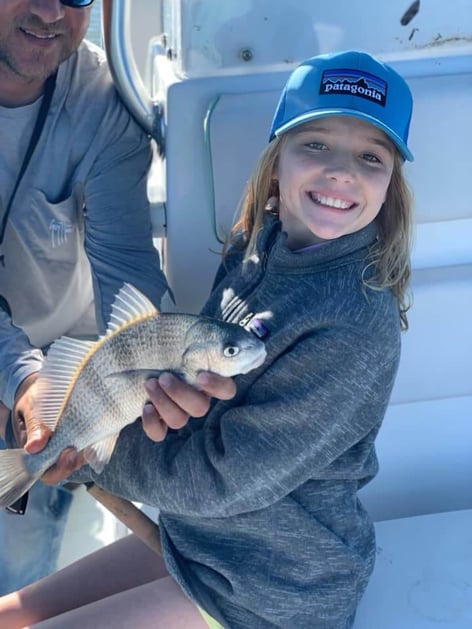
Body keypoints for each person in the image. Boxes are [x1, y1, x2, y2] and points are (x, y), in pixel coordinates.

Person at [0, 49, 414, 628]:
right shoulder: (256, 245)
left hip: (270, 588)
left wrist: (94, 460)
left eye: (371, 156)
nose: (341, 170)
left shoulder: (352, 322)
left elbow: (226, 479)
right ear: (276, 162)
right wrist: (96, 420)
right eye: (315, 143)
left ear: (391, 184)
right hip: (197, 543)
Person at [0, 0, 234, 596]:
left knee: (22, 567)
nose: (52, 11)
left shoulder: (103, 97)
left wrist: (159, 382)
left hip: (61, 386)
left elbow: (126, 265)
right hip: (34, 380)